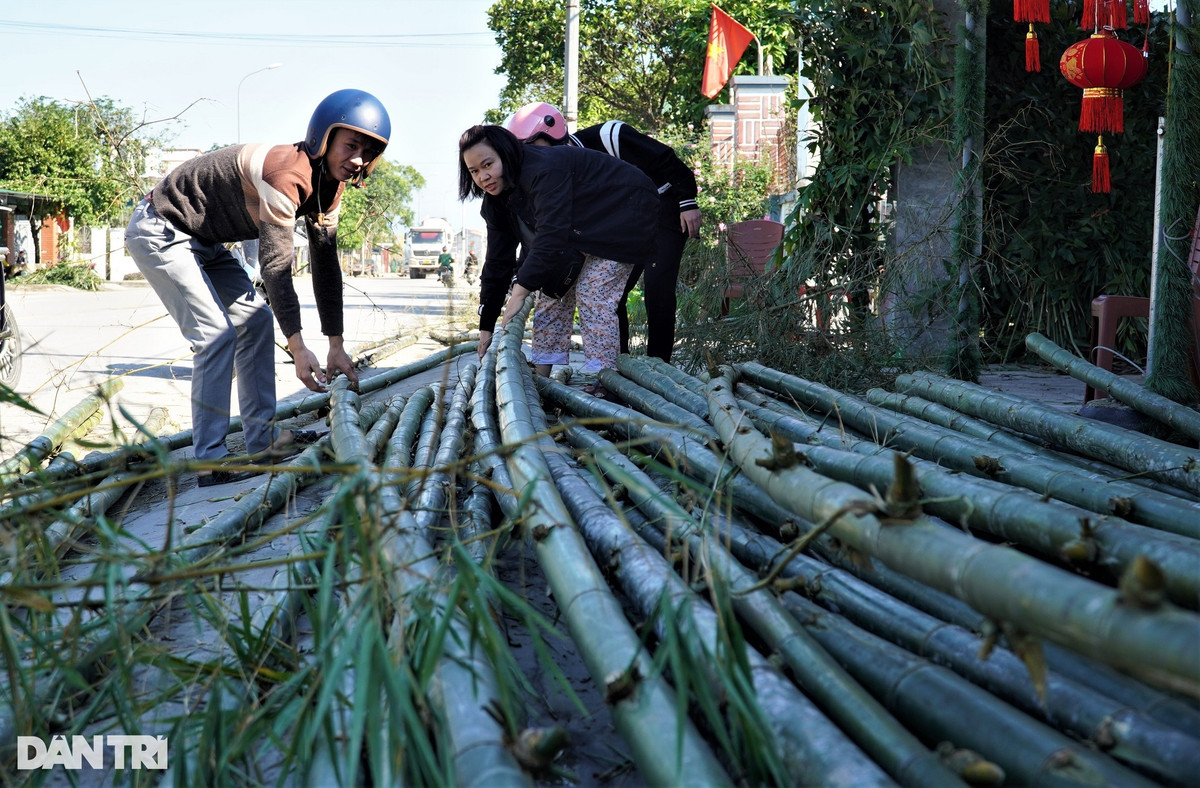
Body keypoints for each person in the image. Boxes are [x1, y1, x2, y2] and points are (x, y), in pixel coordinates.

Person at [125, 89, 390, 486]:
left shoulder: (328, 188)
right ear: (323, 136)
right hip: (162, 229)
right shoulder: (286, 175)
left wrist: (335, 344)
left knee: (256, 322)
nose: (356, 160)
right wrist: (298, 348)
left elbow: (325, 266)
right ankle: (210, 463)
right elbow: (276, 266)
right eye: (350, 146)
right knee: (215, 336)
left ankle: (262, 440)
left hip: (205, 242)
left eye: (366, 154)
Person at [458, 124, 658, 396]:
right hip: (581, 230)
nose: (483, 177)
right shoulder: (495, 203)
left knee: (594, 293)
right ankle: (541, 376)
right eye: (474, 171)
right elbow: (497, 262)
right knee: (551, 294)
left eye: (488, 164)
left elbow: (551, 235)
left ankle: (608, 380)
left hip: (627, 209)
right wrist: (486, 324)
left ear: (506, 154)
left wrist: (518, 294)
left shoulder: (542, 169)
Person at [504, 102, 701, 363]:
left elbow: (666, 160)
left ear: (554, 134)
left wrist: (687, 202)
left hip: (665, 212)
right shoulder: (551, 177)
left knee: (658, 289)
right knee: (609, 296)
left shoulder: (610, 136)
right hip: (621, 228)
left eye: (532, 149)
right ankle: (619, 365)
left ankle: (659, 363)